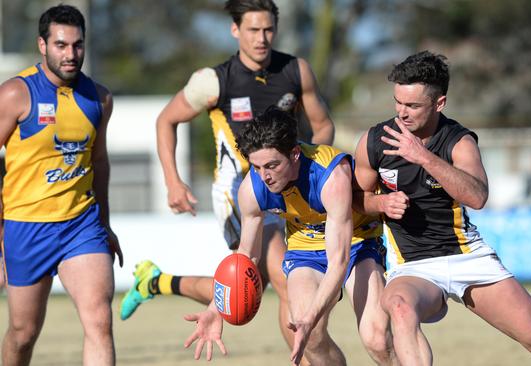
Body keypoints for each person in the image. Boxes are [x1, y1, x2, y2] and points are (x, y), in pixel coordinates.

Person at [353, 51, 531, 365]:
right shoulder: (375, 141)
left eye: (412, 106)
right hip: (413, 266)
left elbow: (478, 196)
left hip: (468, 257)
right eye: (398, 102)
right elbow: (355, 198)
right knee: (399, 306)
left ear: (439, 103)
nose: (402, 113)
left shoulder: (459, 141)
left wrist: (423, 157)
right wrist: (380, 202)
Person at [119, 0, 334, 353]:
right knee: (285, 275)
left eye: (268, 30)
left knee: (249, 284)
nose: (261, 38)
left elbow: (323, 126)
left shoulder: (296, 71)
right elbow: (165, 121)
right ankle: (309, 358)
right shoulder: (214, 81)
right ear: (235, 30)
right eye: (252, 30)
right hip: (238, 193)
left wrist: (308, 171)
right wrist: (173, 181)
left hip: (289, 190)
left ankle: (156, 281)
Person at [184, 107, 394, 365]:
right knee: (310, 338)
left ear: (295, 154)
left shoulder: (331, 174)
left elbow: (338, 263)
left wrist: (311, 314)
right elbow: (246, 256)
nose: (265, 176)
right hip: (304, 250)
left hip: (357, 243)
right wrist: (216, 310)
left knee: (377, 339)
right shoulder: (252, 188)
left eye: (272, 165)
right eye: (257, 166)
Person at [0, 5, 122, 365]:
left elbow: (98, 162)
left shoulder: (100, 98)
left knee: (99, 320)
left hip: (80, 225)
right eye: (61, 45)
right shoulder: (14, 94)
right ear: (43, 45)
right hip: (26, 227)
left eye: (77, 45)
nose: (70, 54)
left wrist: (104, 223)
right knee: (23, 335)